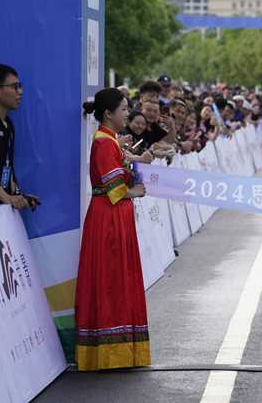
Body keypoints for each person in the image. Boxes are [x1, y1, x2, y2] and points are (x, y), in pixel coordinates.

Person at [76, 88, 149, 371]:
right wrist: (135, 191)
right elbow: (113, 188)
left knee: (115, 278)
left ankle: (116, 351)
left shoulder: (109, 141)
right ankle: (110, 353)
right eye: (124, 109)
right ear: (108, 113)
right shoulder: (104, 143)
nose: (128, 114)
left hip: (114, 217)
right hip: (109, 219)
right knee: (111, 280)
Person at [0, 65, 39, 210]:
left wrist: (19, 196)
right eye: (15, 87)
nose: (20, 92)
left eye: (20, 86)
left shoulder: (9, 125)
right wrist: (7, 198)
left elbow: (7, 168)